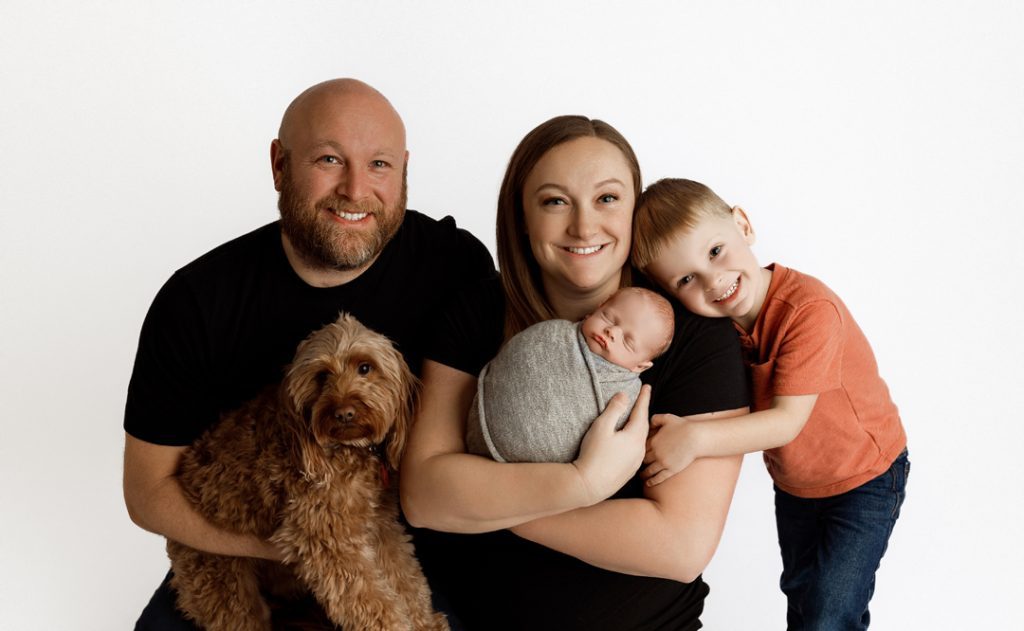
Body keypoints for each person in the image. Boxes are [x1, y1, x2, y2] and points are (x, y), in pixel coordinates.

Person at [122, 78, 496, 629]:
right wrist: (304, 548)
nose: (354, 189)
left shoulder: (452, 265)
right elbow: (148, 494)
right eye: (328, 159)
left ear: (405, 171)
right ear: (279, 165)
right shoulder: (197, 300)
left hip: (393, 538)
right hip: (242, 550)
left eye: (380, 165)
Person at [400, 116, 751, 630]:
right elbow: (424, 497)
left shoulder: (695, 334)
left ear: (637, 211)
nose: (584, 227)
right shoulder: (477, 310)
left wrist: (485, 502)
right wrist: (582, 482)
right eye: (554, 201)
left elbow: (680, 546)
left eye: (608, 198)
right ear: (522, 216)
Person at [632, 178, 909, 630]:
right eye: (686, 279)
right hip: (798, 484)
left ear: (742, 224)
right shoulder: (718, 333)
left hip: (865, 476)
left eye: (715, 251)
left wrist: (694, 438)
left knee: (829, 607)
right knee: (803, 595)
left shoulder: (808, 310)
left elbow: (785, 423)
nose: (713, 279)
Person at [466, 286, 675, 463]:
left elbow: (610, 447)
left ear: (640, 366)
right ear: (594, 310)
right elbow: (517, 356)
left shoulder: (624, 395)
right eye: (608, 318)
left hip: (536, 477)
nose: (613, 332)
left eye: (628, 341)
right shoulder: (553, 333)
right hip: (480, 426)